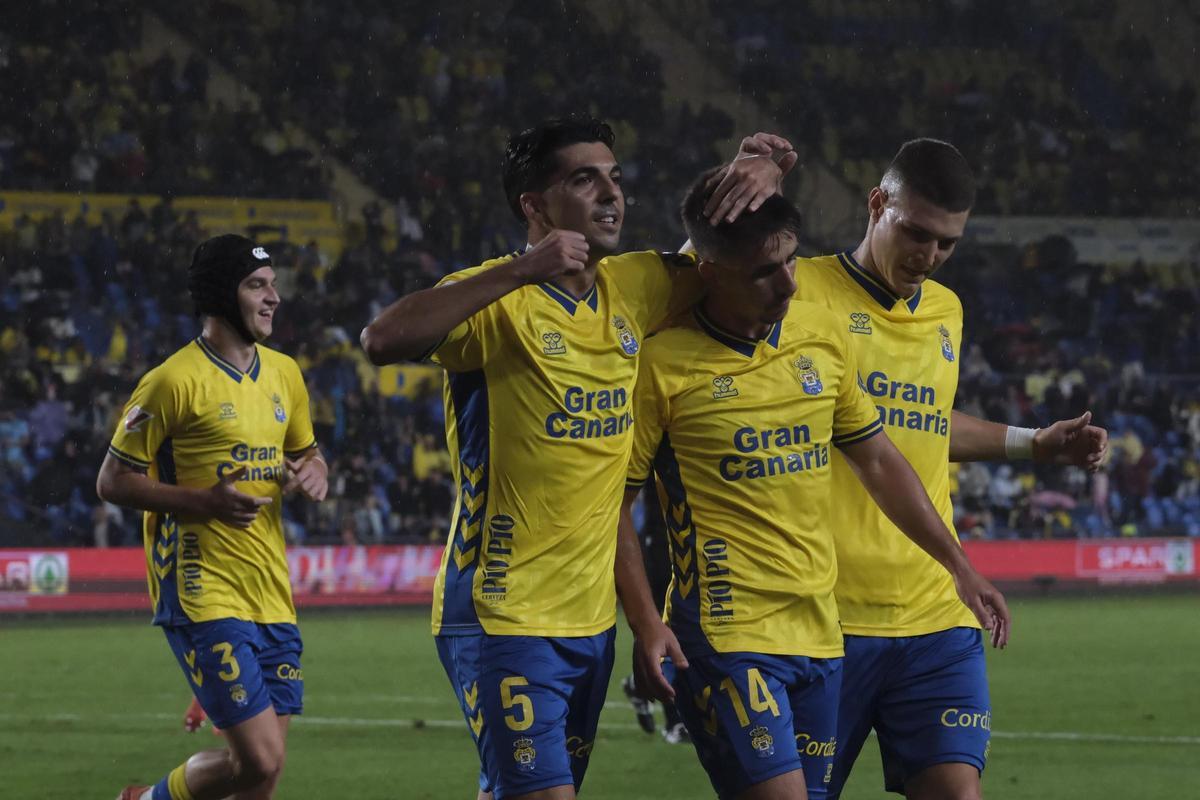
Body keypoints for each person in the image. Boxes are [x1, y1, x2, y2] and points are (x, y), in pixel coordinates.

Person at [359, 115, 786, 800]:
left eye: (614, 177)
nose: (610, 193)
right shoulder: (499, 300)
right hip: (503, 614)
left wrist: (752, 178)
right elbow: (381, 340)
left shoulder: (635, 286)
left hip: (590, 624)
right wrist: (525, 267)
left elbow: (728, 262)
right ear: (534, 206)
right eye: (584, 179)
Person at [709, 138, 1106, 800]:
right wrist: (747, 179)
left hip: (933, 614)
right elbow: (698, 273)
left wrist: (1032, 443)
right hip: (821, 619)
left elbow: (921, 426)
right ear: (876, 204)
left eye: (947, 243)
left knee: (956, 792)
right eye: (916, 232)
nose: (929, 255)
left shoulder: (945, 311)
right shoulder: (797, 292)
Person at [616, 168, 1010, 800]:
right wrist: (643, 621)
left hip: (821, 638)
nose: (788, 285)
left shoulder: (818, 341)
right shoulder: (660, 368)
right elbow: (615, 509)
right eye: (763, 273)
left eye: (791, 263)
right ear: (709, 274)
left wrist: (959, 566)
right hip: (724, 636)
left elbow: (881, 462)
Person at [99, 234, 329, 800]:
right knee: (258, 760)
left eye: (273, 285)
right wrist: (205, 502)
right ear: (222, 297)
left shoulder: (285, 375)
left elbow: (305, 452)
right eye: (258, 286)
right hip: (202, 586)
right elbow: (112, 481)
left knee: (263, 775)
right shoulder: (171, 381)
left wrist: (314, 469)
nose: (273, 297)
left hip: (271, 587)